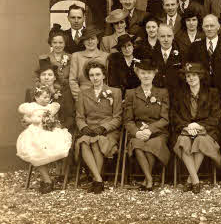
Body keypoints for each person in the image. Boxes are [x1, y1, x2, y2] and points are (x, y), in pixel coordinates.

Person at [171, 63, 221, 193]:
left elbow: (216, 117)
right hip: (185, 130)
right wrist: (187, 126)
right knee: (184, 141)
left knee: (200, 140)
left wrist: (199, 126)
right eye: (188, 76)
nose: (191, 78)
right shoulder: (179, 94)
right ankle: (195, 181)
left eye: (194, 75)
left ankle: (190, 180)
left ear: (200, 76)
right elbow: (174, 115)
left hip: (206, 130)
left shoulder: (212, 93)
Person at [74, 61, 122, 194]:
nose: (95, 78)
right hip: (89, 129)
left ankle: (96, 179)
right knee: (84, 142)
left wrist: (104, 128)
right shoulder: (83, 94)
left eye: (97, 74)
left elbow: (117, 117)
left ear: (103, 75)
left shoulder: (115, 92)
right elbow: (79, 116)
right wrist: (83, 127)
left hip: (108, 131)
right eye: (91, 75)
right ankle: (99, 180)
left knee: (96, 143)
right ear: (88, 77)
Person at [123, 59, 170, 191]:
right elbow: (128, 120)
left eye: (149, 73)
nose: (146, 76)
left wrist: (150, 130)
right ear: (138, 74)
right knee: (137, 144)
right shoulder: (131, 93)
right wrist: (137, 132)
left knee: (152, 144)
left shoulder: (162, 93)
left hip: (158, 132)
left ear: (154, 74)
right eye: (143, 73)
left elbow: (165, 119)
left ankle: (147, 180)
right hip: (138, 131)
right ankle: (149, 179)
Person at [16, 85, 72, 194]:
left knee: (55, 146)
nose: (46, 99)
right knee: (34, 149)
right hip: (35, 132)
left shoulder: (51, 107)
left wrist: (51, 122)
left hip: (49, 132)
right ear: (36, 98)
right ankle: (47, 180)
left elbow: (53, 118)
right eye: (43, 97)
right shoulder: (31, 107)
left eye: (48, 97)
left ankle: (56, 176)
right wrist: (33, 119)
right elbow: (26, 118)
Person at [186, 14, 221, 96]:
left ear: (218, 27)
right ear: (203, 28)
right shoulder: (194, 47)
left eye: (212, 26)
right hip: (201, 92)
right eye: (206, 26)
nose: (209, 29)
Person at [26, 58, 76, 132]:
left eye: (50, 75)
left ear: (55, 77)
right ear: (39, 78)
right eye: (43, 74)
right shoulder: (31, 93)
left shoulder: (65, 93)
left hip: (59, 130)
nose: (46, 77)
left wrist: (60, 128)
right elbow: (27, 116)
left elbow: (70, 117)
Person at [69, 28, 109, 100]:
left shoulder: (106, 56)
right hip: (83, 94)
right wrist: (79, 98)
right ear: (83, 41)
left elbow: (109, 80)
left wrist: (105, 95)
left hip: (103, 95)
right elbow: (72, 80)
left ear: (97, 40)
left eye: (93, 38)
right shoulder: (76, 56)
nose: (90, 41)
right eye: (87, 39)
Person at [150, 25, 183, 94]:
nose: (166, 40)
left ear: (173, 36)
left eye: (169, 36)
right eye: (162, 36)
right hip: (157, 94)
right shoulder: (152, 54)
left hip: (176, 94)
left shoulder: (181, 54)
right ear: (158, 37)